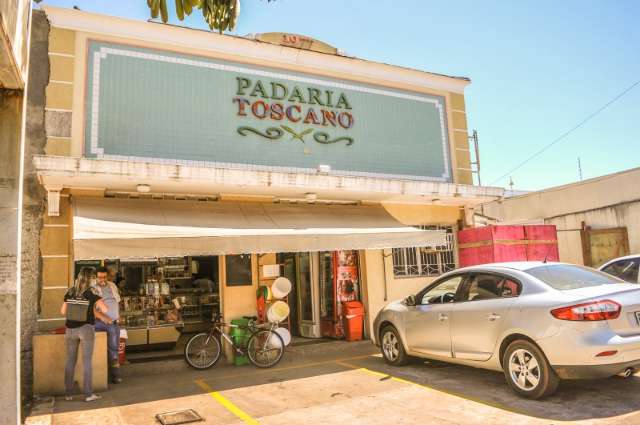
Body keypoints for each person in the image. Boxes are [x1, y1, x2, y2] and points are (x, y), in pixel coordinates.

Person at [60, 267, 107, 402]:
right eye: (94, 277)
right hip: (86, 328)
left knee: (70, 361)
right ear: (91, 278)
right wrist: (97, 300)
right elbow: (104, 309)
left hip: (70, 329)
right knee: (87, 362)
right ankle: (88, 394)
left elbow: (63, 311)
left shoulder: (70, 291)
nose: (95, 280)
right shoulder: (92, 292)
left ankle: (68, 394)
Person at [93, 266, 123, 384]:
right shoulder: (93, 288)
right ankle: (114, 375)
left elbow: (117, 301)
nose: (102, 279)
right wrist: (103, 318)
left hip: (114, 321)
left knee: (114, 348)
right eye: (100, 277)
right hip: (101, 323)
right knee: (111, 348)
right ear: (96, 277)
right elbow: (91, 308)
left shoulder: (112, 286)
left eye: (104, 277)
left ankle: (113, 374)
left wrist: (118, 315)